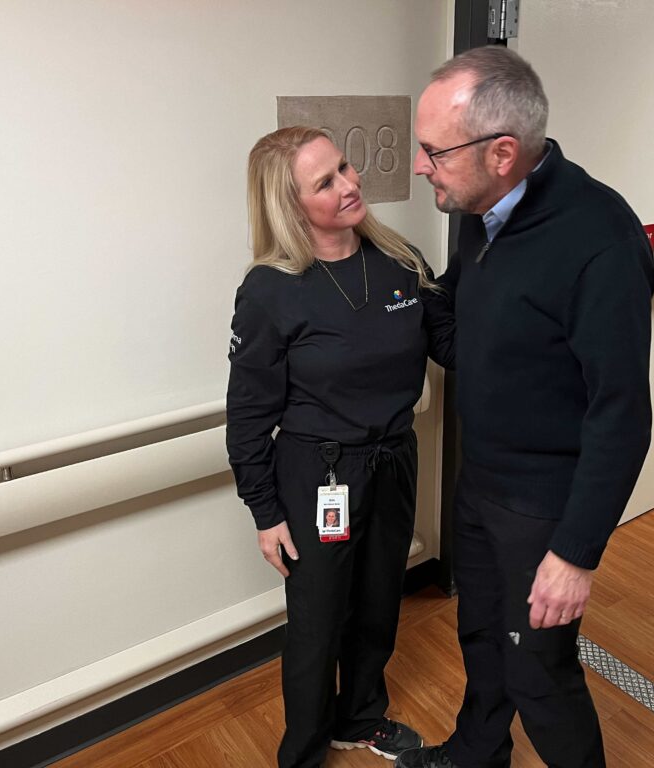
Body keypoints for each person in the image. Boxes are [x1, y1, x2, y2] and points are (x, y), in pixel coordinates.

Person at [396, 47, 654, 768]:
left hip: (545, 509)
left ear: (502, 152)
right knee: (482, 637)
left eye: (432, 151)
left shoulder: (599, 242)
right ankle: (478, 754)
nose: (423, 166)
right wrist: (395, 289)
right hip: (480, 485)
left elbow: (623, 417)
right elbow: (468, 324)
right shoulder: (481, 210)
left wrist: (574, 554)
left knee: (539, 672)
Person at [226, 125, 455, 768]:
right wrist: (266, 512)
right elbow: (248, 413)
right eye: (325, 182)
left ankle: (359, 718)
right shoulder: (270, 291)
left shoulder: (400, 260)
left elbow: (453, 342)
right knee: (317, 620)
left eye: (346, 168)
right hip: (317, 472)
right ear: (290, 204)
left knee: (381, 599)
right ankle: (301, 752)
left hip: (392, 460)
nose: (351, 185)